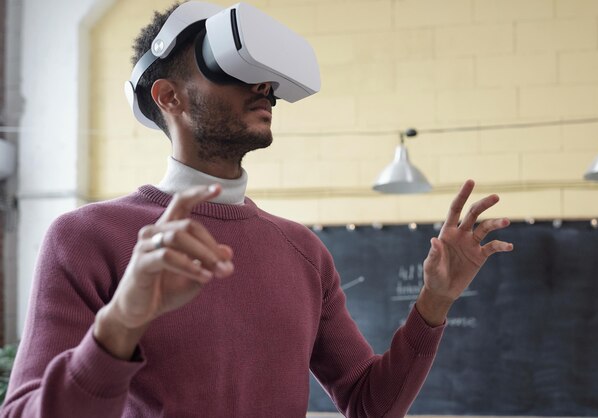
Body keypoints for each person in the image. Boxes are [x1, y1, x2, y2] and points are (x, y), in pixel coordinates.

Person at [1, 2, 513, 417]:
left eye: (268, 79)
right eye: (232, 70)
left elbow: (367, 404)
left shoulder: (304, 252)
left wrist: (435, 302)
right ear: (168, 96)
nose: (264, 88)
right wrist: (120, 324)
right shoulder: (86, 237)